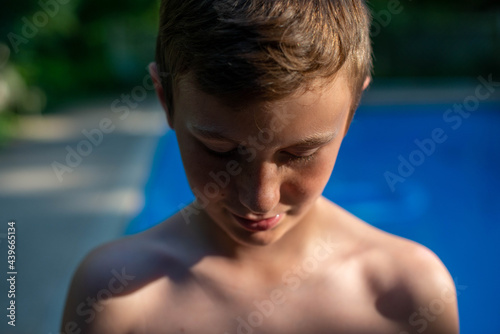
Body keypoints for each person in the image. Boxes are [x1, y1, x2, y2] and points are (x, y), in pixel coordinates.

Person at [61, 1, 460, 333]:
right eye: (220, 150)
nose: (260, 198)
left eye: (300, 153)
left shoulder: (409, 294)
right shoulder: (114, 297)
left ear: (351, 111)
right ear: (166, 101)